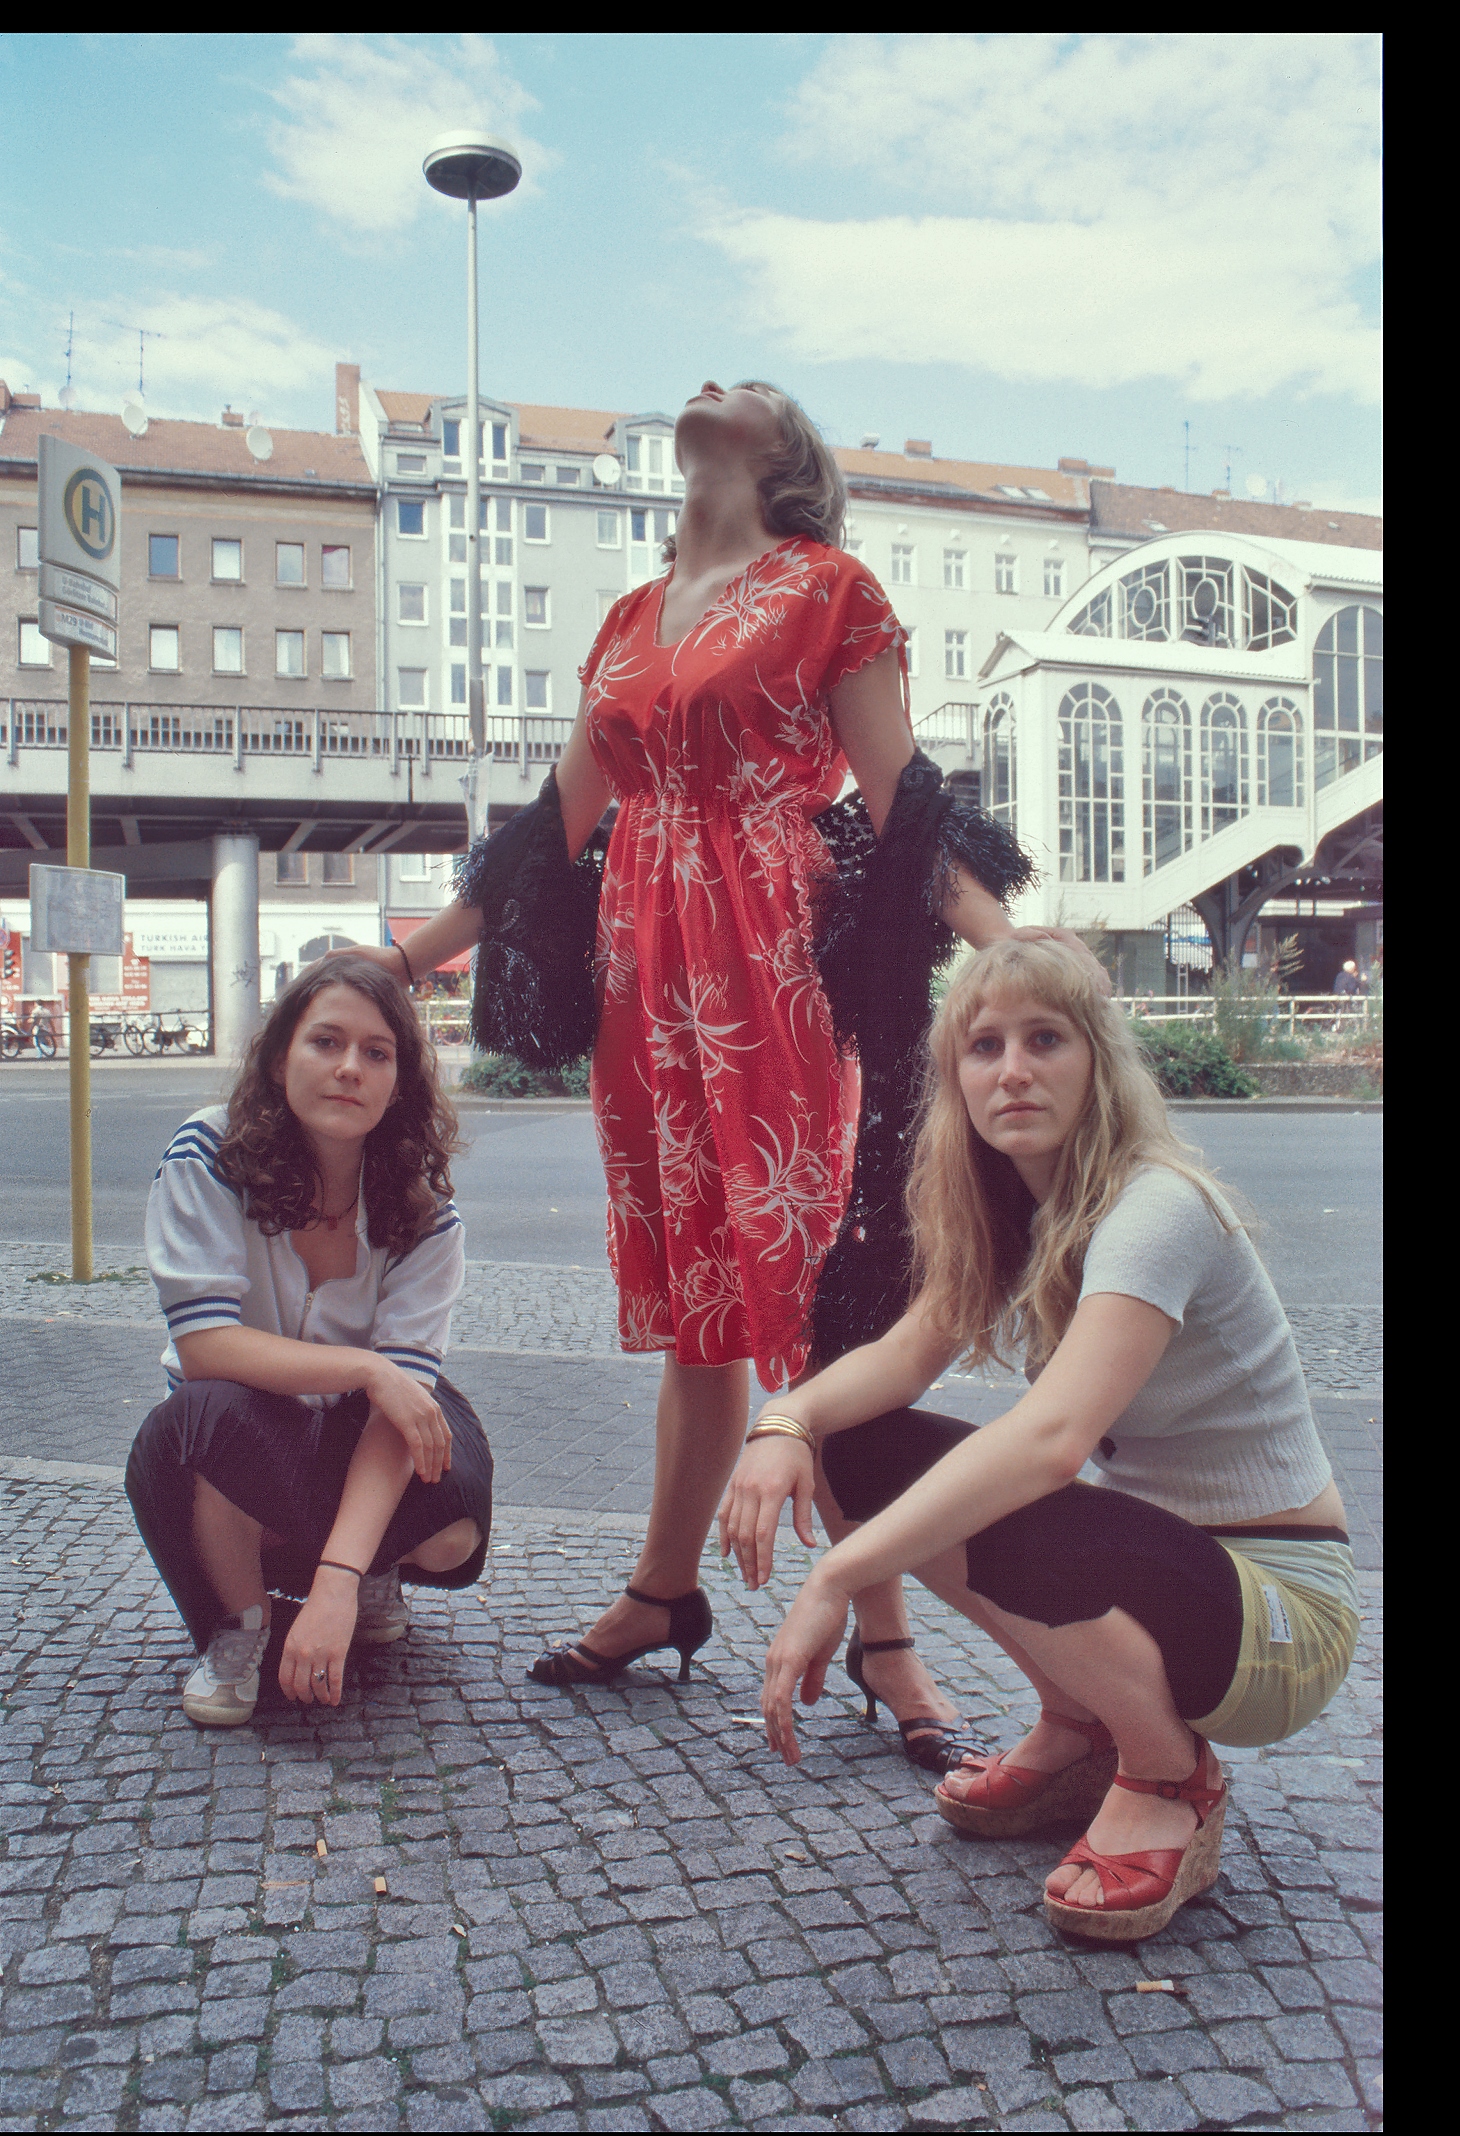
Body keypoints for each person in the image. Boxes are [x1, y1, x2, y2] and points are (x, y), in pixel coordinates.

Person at [342, 380, 1080, 1760]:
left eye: (737, 391)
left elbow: (902, 802)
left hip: (772, 961)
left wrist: (1012, 948)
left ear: (783, 451)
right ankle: (661, 1592)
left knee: (813, 1304)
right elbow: (554, 831)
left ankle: (884, 1635)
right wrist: (406, 957)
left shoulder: (828, 589)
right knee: (700, 1310)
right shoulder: (629, 617)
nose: (702, 391)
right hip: (648, 982)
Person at [721, 939, 1357, 1940]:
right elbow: (899, 1359)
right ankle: (1079, 1729)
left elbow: (1050, 1442)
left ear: (1097, 1062)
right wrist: (784, 1422)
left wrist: (839, 1574)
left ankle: (1168, 1774)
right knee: (857, 1449)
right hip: (1164, 1571)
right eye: (984, 1046)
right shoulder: (1013, 1213)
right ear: (957, 1080)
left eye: (1044, 1039)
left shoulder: (1156, 1204)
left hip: (1281, 1618)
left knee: (1021, 1506)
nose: (1012, 1069)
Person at [125, 956, 494, 1729]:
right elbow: (205, 1348)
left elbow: (398, 1400)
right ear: (279, 1057)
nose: (349, 1068)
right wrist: (367, 1368)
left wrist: (339, 1578)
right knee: (206, 1411)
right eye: (326, 1042)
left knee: (455, 1522)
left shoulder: (426, 1214)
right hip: (235, 1433)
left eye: (376, 1052)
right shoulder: (210, 1153)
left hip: (351, 1427)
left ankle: (368, 1569)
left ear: (400, 1083)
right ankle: (240, 1624)